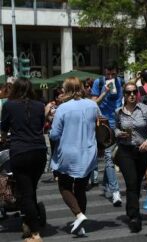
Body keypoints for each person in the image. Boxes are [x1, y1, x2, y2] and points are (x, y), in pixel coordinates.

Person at [50, 77, 99, 236]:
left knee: (64, 185)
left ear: (67, 90)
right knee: (80, 188)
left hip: (69, 151)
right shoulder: (92, 105)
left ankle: (78, 215)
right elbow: (101, 123)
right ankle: (80, 224)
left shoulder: (62, 108)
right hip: (89, 151)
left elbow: (55, 134)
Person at [1, 78, 47, 242]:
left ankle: (35, 233)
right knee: (31, 190)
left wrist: (4, 138)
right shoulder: (40, 106)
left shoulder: (9, 105)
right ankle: (30, 222)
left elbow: (4, 129)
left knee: (26, 193)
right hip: (40, 151)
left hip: (21, 151)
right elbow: (41, 126)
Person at [115, 82, 147, 233]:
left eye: (134, 92)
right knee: (132, 182)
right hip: (125, 151)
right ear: (124, 95)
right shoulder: (119, 112)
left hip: (142, 151)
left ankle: (130, 209)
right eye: (128, 93)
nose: (132, 95)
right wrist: (118, 133)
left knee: (136, 183)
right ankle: (134, 217)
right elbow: (115, 128)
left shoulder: (145, 109)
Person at [91, 64, 123, 206]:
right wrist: (104, 92)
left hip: (119, 122)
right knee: (109, 157)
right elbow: (93, 103)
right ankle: (116, 192)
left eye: (113, 74)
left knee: (113, 157)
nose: (110, 77)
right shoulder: (98, 82)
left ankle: (105, 184)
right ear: (104, 72)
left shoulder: (120, 82)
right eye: (108, 74)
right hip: (104, 124)